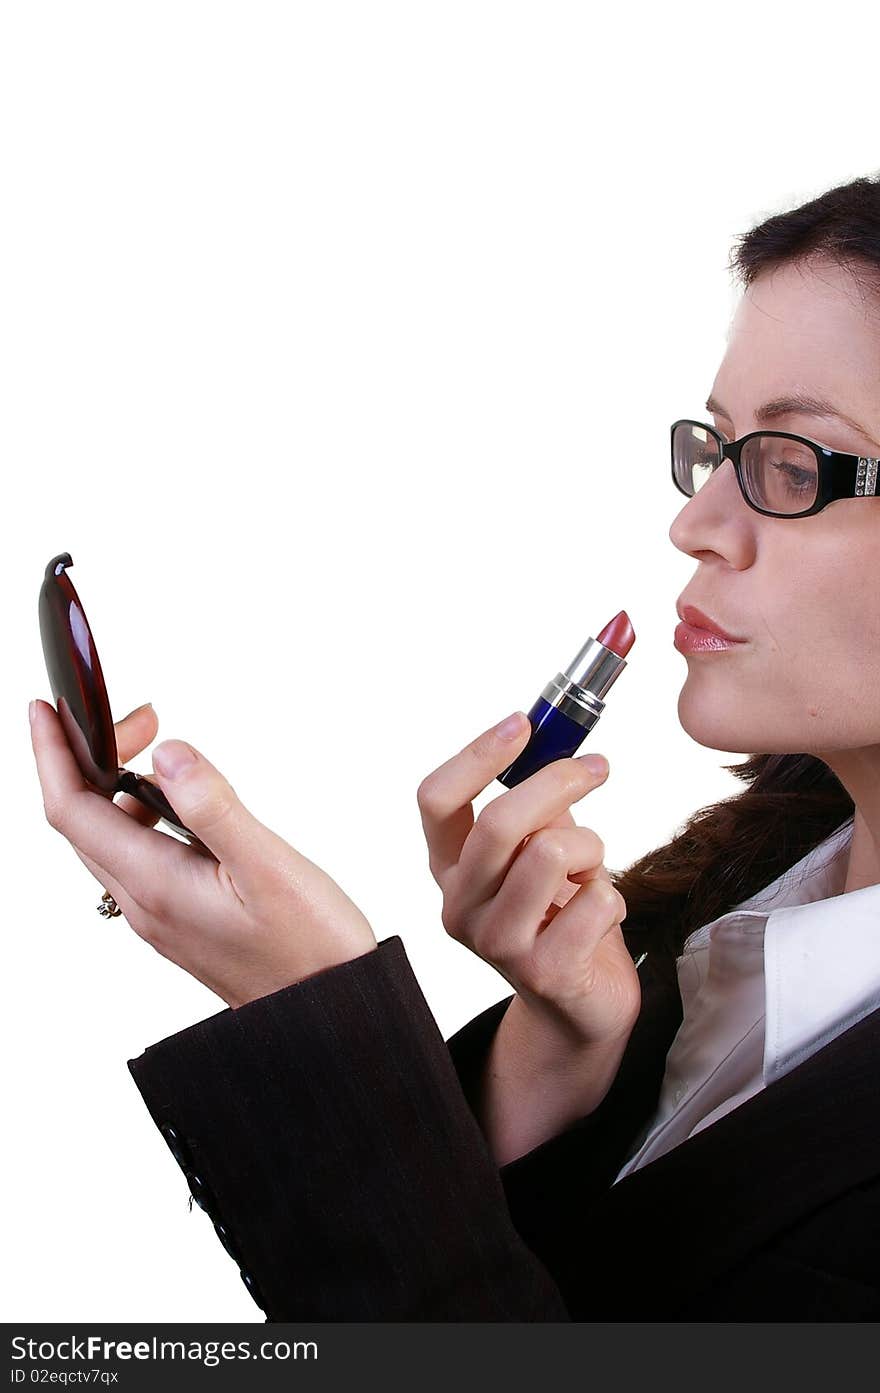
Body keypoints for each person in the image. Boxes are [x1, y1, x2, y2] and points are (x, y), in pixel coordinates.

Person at [29, 171, 880, 1321]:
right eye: (715, 447)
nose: (692, 523)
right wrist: (558, 1046)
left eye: (790, 465)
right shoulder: (721, 918)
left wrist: (323, 1024)